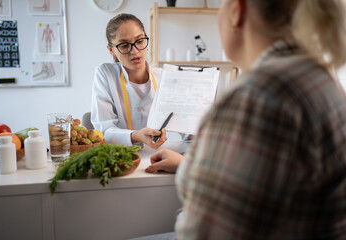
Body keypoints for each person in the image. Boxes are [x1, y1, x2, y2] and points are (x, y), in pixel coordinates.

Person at [147, 0, 346, 238]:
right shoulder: (320, 79)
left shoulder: (258, 97)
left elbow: (206, 234)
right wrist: (188, 164)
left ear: (236, 11)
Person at [91, 13, 167, 149]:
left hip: (156, 154)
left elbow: (187, 128)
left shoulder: (164, 77)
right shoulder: (105, 74)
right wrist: (136, 136)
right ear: (111, 50)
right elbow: (103, 131)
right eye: (124, 45)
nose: (135, 51)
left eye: (139, 41)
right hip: (119, 155)